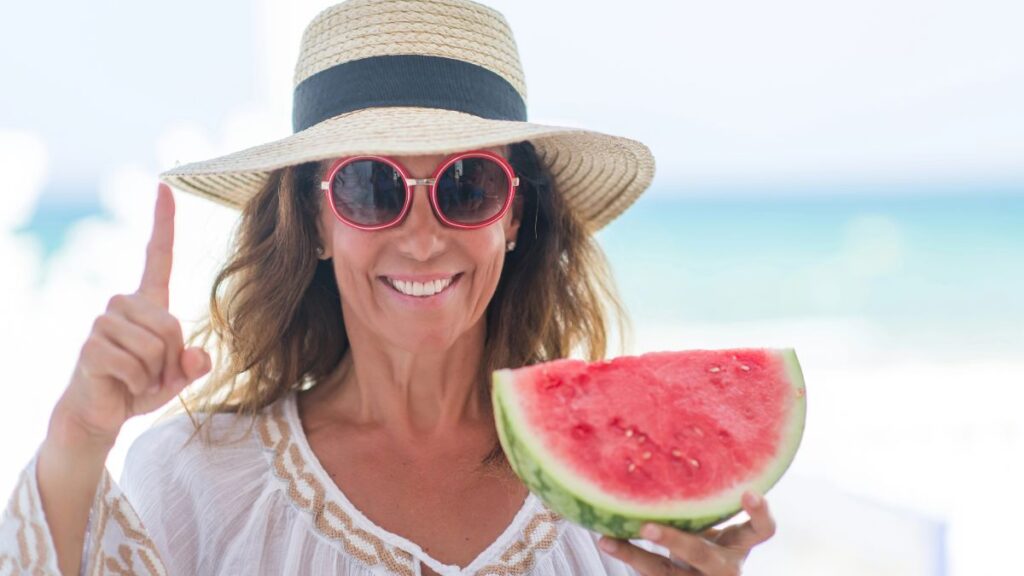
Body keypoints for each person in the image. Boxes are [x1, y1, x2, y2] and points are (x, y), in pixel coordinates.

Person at [0, 0, 778, 574]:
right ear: (314, 221)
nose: (421, 234)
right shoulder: (197, 476)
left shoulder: (622, 510)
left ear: (515, 217)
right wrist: (76, 439)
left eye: (468, 185)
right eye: (370, 187)